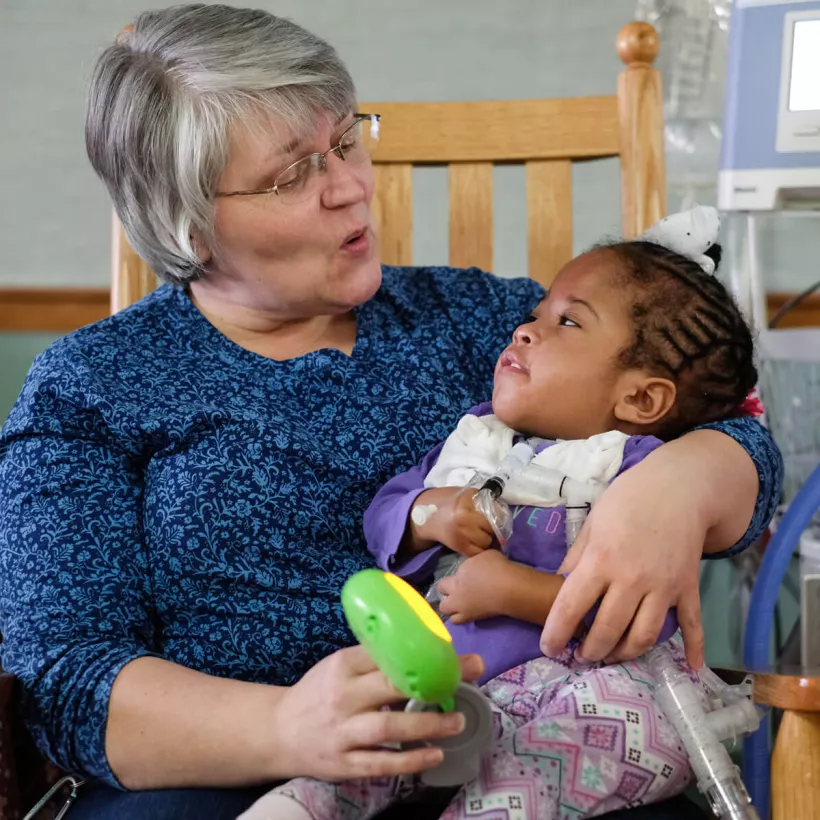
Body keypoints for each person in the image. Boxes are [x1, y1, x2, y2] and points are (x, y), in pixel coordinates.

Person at [0, 7, 780, 820]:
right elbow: (66, 680)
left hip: (528, 745)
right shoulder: (93, 386)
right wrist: (285, 728)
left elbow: (738, 439)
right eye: (292, 174)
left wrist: (685, 483)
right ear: (186, 222)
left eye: (345, 140)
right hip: (227, 776)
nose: (351, 187)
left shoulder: (482, 321)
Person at [244, 207, 764, 820]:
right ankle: (302, 806)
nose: (523, 330)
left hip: (590, 697)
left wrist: (514, 590)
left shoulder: (635, 473)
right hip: (458, 689)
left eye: (567, 322)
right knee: (358, 750)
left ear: (641, 398)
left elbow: (639, 618)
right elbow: (383, 513)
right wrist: (428, 514)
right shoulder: (475, 442)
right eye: (534, 313)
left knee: (555, 762)